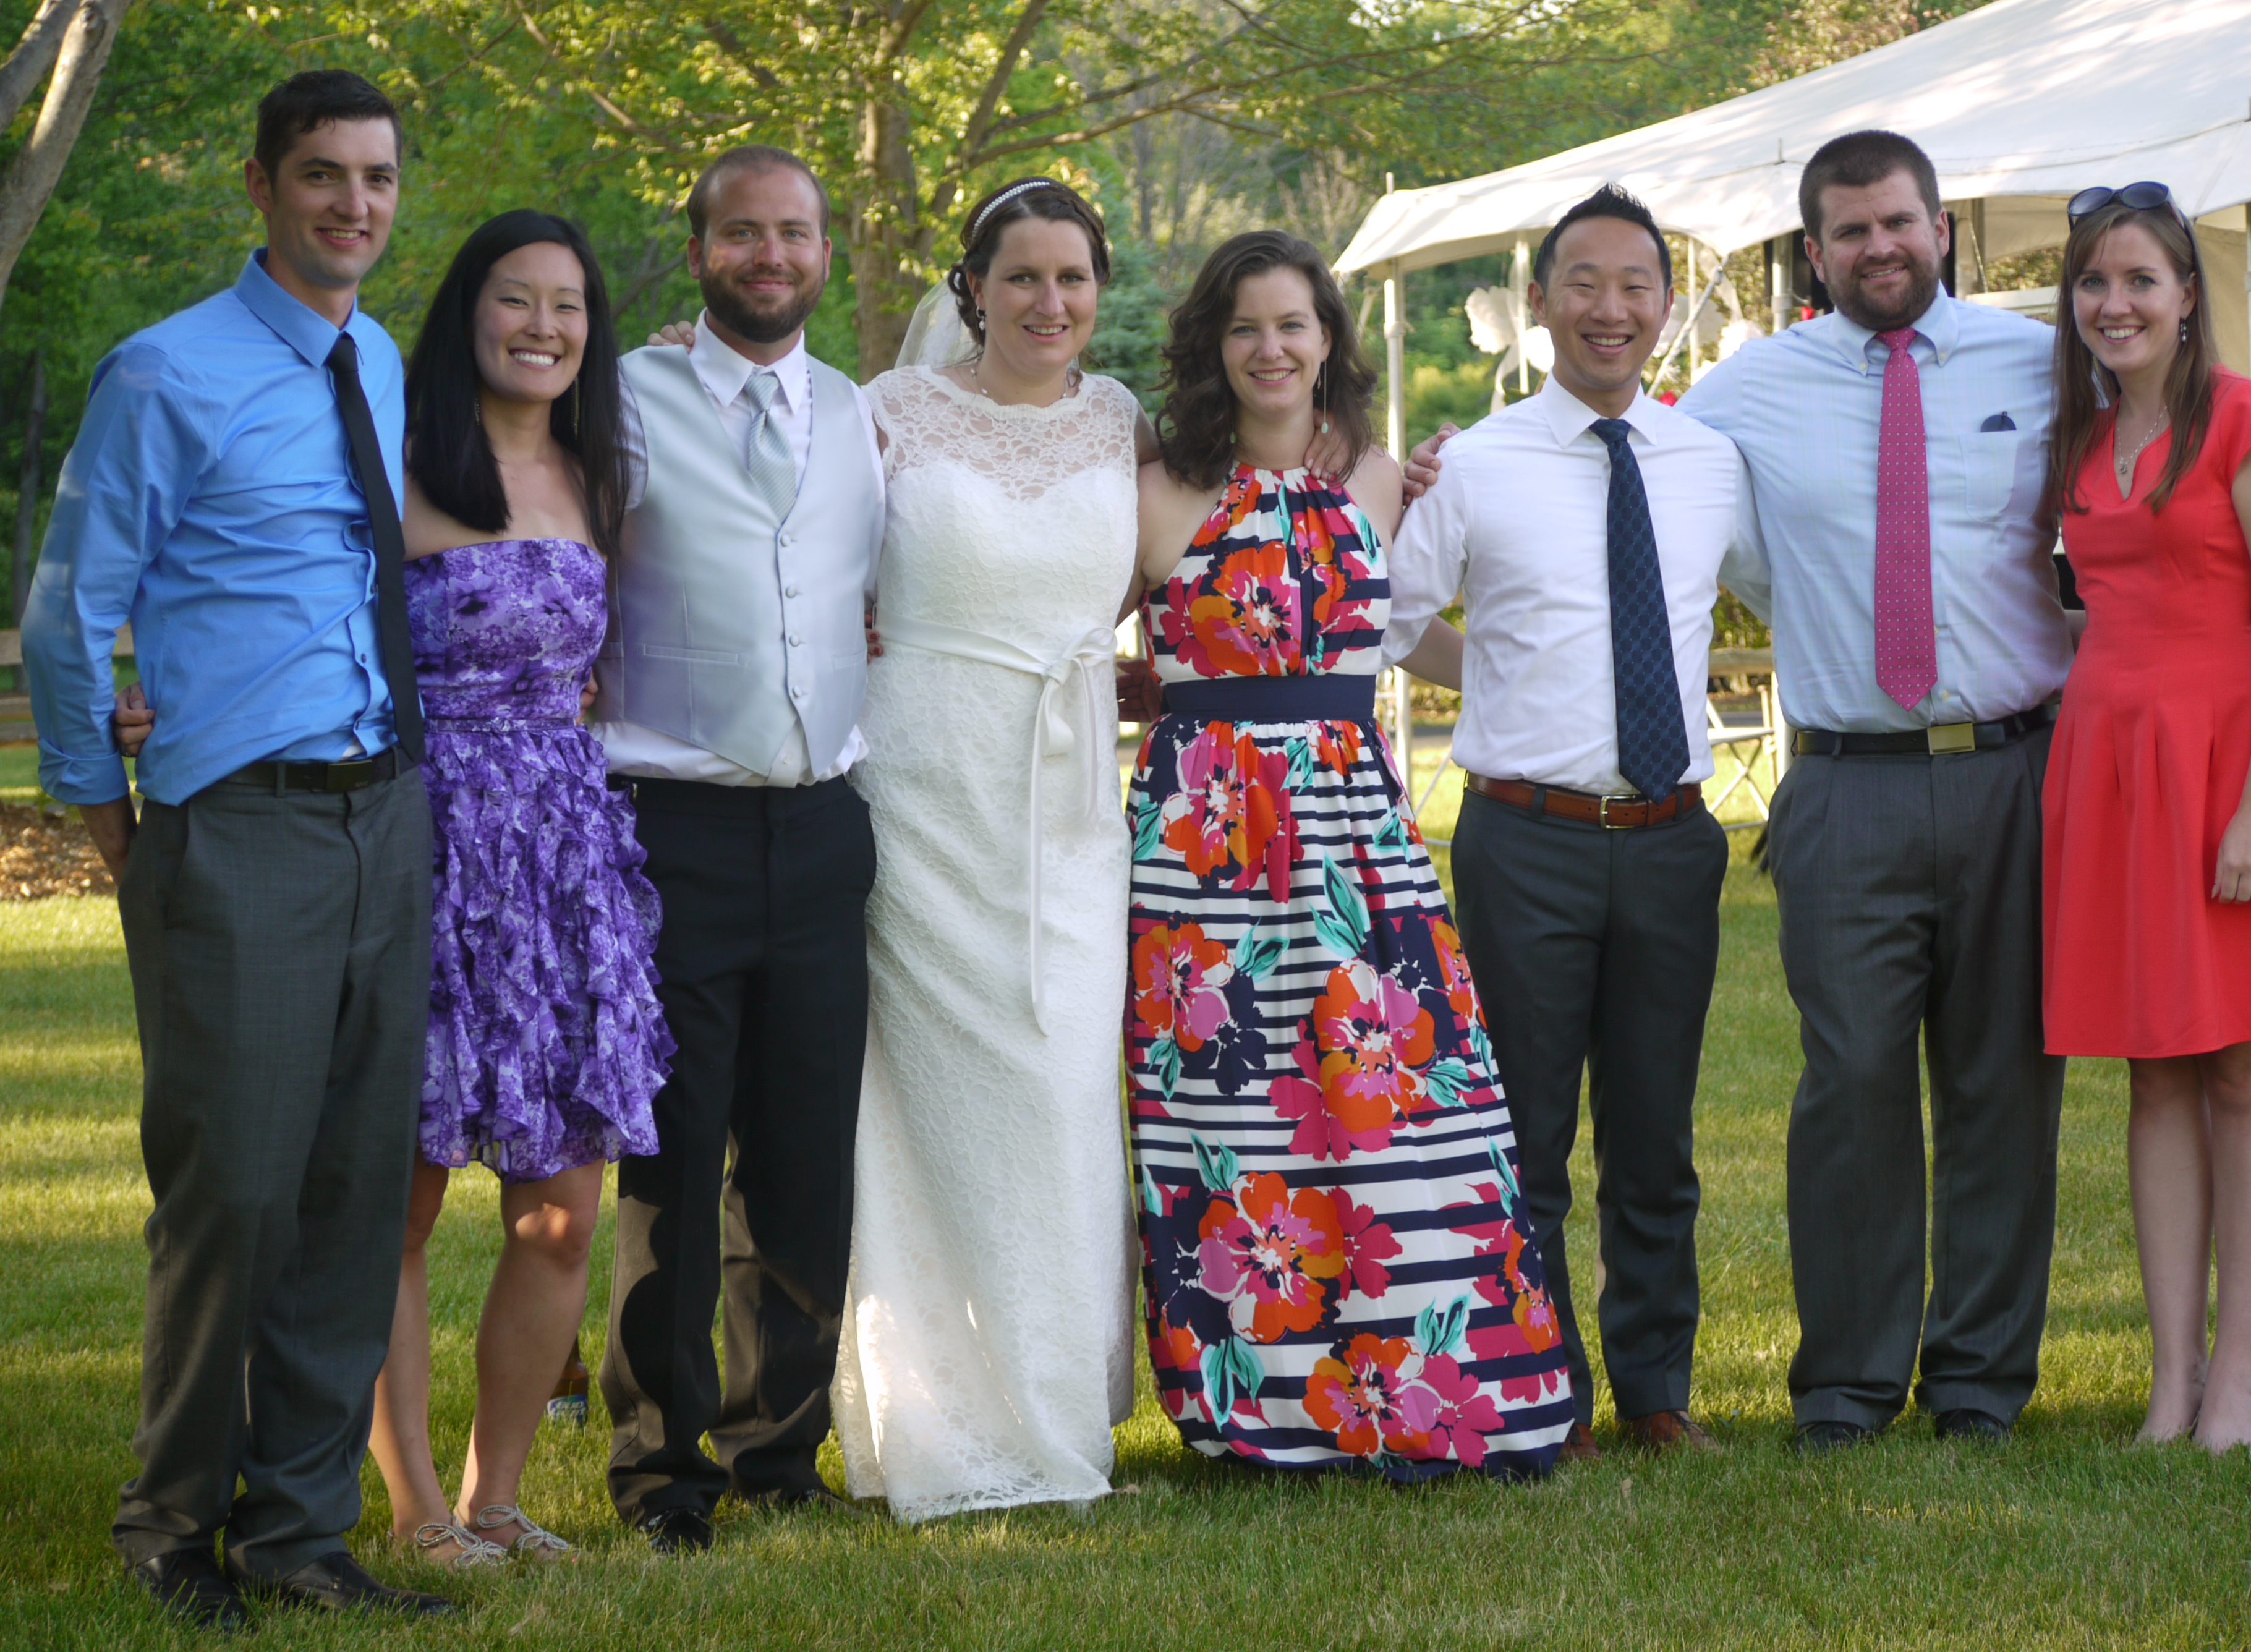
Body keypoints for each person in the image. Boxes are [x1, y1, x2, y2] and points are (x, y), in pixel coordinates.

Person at [21, 70, 453, 1624]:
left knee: (350, 1191)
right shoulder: (164, 371)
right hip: (241, 826)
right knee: (236, 1192)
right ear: (261, 185)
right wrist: (114, 821)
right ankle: (169, 1526)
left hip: (385, 812)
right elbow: (68, 616)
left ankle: (301, 1534)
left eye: (377, 178)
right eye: (323, 174)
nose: (354, 203)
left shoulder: (377, 359)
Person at [1125, 229, 1572, 1479]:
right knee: (1230, 1124)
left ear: (1327, 338)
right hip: (1203, 853)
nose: (1270, 348)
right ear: (1212, 347)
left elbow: (1391, 636)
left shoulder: (1380, 479)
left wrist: (1536, 673)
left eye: (1291, 323)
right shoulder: (1154, 491)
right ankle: (1261, 1408)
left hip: (1353, 834)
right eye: (1244, 327)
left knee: (1401, 1102)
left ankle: (1429, 1390)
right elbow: (1061, 632)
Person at [1679, 131, 2070, 1449]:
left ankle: (1980, 1383)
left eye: (1898, 221)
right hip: (1844, 782)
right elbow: (1643, 477)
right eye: (1849, 231)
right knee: (1847, 1085)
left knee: (2003, 1085)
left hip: (2014, 773)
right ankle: (1846, 1385)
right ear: (1815, 251)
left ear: (1941, 227)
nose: (1878, 247)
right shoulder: (1747, 389)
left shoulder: (2040, 363)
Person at [1383, 187, 1745, 1462]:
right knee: (1525, 1131)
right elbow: (1389, 619)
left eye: (1635, 284)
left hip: (1672, 835)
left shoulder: (1706, 462)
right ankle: (1544, 1393)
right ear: (1538, 303)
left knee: (1655, 1137)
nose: (1610, 307)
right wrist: (1488, 671)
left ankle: (1655, 1391)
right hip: (1524, 839)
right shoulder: (1473, 464)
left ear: (1663, 303)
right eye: (1582, 282)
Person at [830, 177, 1141, 1521]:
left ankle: (1056, 1399)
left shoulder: (1122, 420)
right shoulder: (887, 414)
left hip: (1068, 807)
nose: (1047, 301)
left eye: (1071, 277)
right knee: (935, 1106)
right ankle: (940, 1412)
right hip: (922, 790)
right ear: (971, 288)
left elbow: (1221, 515)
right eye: (1021, 275)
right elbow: (794, 541)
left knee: (1062, 1089)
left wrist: (1393, 467)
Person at [593, 146, 883, 1553]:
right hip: (673, 825)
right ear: (700, 246)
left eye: (795, 233)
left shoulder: (855, 412)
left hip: (825, 825)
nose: (771, 255)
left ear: (825, 250)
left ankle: (779, 1448)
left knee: (803, 1160)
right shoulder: (622, 398)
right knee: (672, 1156)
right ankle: (661, 1468)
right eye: (743, 233)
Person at [370, 211, 670, 1560]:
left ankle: (498, 1494)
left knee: (560, 1214)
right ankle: (418, 1511)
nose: (544, 326)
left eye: (568, 304)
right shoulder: (394, 463)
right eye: (515, 299)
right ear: (466, 313)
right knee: (399, 1203)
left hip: (563, 856)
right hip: (425, 847)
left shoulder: (598, 475)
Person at [2040, 185, 2251, 1452]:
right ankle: (2171, 1376)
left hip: (2229, 772)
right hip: (2113, 775)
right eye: (2092, 282)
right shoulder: (2081, 437)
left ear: (2184, 296)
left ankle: (2242, 1374)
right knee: (2152, 1073)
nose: (2113, 303)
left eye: (2138, 281)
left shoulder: (2246, 422)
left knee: (2242, 1068)